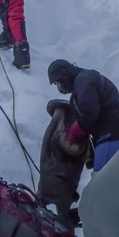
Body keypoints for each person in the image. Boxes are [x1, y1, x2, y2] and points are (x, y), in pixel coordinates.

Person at [47, 60, 119, 172]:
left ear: (64, 76)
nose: (59, 88)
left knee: (103, 183)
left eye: (57, 84)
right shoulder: (84, 81)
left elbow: (90, 113)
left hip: (111, 136)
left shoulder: (83, 81)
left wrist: (77, 129)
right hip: (118, 134)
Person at [36, 98, 89, 229]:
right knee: (63, 223)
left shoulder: (59, 115)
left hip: (50, 175)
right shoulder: (68, 116)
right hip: (61, 179)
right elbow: (72, 147)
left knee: (39, 213)